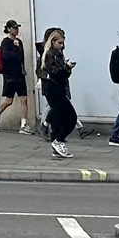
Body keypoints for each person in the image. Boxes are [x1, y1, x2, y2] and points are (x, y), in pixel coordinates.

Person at [40, 27, 77, 159]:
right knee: (71, 117)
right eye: (59, 43)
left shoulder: (57, 54)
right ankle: (58, 139)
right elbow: (54, 72)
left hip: (59, 87)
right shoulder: (50, 54)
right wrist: (66, 67)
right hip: (53, 88)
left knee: (60, 118)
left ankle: (56, 144)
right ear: (53, 42)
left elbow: (63, 74)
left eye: (62, 43)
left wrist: (67, 68)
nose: (62, 46)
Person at [0, 20, 33, 133]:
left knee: (24, 99)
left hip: (19, 74)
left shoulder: (19, 42)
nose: (16, 30)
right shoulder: (6, 42)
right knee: (9, 101)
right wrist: (15, 48)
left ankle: (23, 125)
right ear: (8, 29)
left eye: (17, 28)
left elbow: (20, 58)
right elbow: (8, 57)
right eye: (14, 28)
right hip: (10, 75)